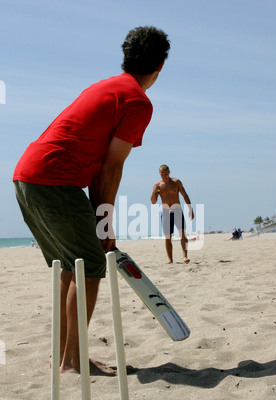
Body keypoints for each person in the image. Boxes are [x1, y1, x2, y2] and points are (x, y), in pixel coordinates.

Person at [13, 26, 170, 375]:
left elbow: (101, 165)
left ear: (126, 58)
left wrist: (100, 222)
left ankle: (66, 357)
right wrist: (104, 224)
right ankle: (72, 361)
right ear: (160, 66)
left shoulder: (106, 87)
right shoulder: (137, 101)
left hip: (26, 177)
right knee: (90, 267)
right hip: (54, 181)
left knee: (72, 267)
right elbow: (110, 169)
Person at [151, 164, 194, 264]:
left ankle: (185, 256)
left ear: (169, 172)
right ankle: (170, 259)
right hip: (165, 211)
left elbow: (185, 195)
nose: (164, 176)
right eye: (162, 175)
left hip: (177, 209)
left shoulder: (176, 182)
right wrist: (154, 192)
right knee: (167, 237)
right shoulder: (157, 186)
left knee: (182, 233)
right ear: (159, 174)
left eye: (166, 174)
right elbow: (153, 201)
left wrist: (190, 209)